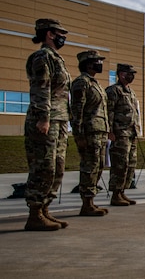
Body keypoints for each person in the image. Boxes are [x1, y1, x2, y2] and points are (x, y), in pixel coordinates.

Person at [23, 18, 71, 231]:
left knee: (57, 168)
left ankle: (44, 210)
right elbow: (41, 89)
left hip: (59, 121)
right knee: (44, 167)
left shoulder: (56, 58)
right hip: (46, 120)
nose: (64, 37)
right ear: (50, 34)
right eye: (60, 33)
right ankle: (34, 213)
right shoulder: (41, 57)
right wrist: (44, 118)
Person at [71, 50, 110, 216]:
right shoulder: (81, 83)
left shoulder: (96, 84)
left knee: (98, 167)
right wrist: (78, 134)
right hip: (89, 132)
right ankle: (86, 203)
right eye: (97, 61)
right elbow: (76, 109)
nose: (100, 64)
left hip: (100, 132)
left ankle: (91, 201)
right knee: (89, 167)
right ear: (88, 63)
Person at [106, 63, 140, 206]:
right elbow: (109, 112)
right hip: (120, 134)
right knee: (120, 164)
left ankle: (122, 192)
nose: (131, 76)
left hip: (131, 133)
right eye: (129, 73)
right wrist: (110, 131)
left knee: (130, 164)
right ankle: (115, 193)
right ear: (121, 74)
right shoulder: (113, 91)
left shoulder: (131, 92)